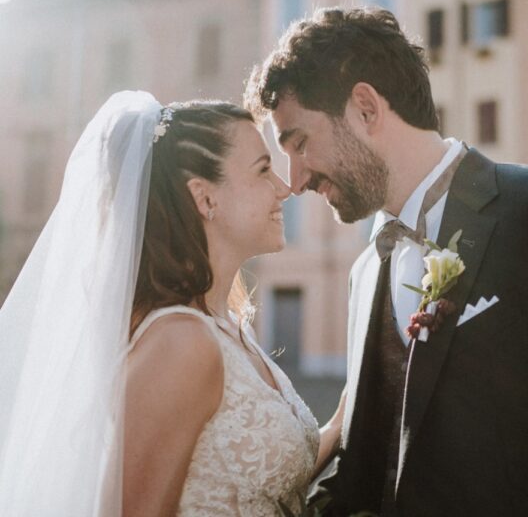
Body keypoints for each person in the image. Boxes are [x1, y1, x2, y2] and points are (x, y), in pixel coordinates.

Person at [245, 7, 528, 516]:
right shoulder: (364, 272)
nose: (296, 180)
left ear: (365, 108)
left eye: (299, 143)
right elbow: (368, 463)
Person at [0, 91, 344, 517]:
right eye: (263, 170)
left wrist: (350, 409)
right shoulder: (180, 344)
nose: (283, 188)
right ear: (204, 198)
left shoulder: (226, 326)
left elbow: (263, 475)